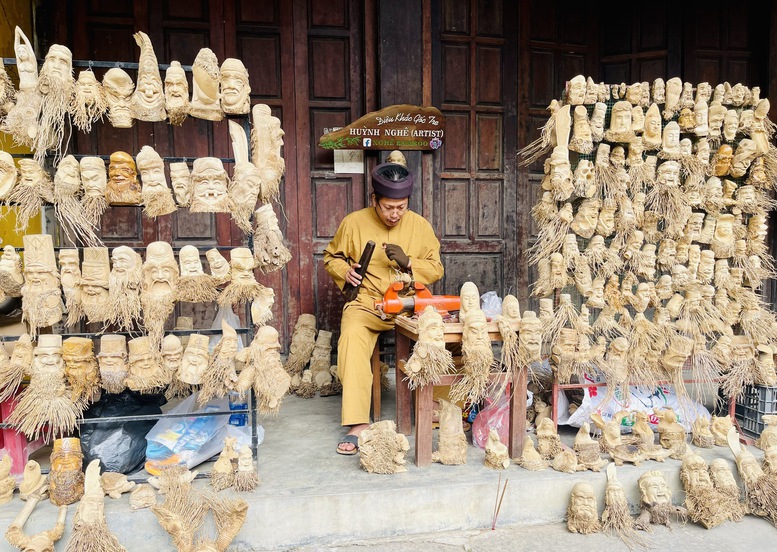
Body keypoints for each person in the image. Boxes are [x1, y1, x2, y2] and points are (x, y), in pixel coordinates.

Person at [324, 156, 444, 455]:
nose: (394, 214)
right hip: (368, 304)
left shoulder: (419, 225)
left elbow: (436, 268)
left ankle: (439, 407)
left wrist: (409, 262)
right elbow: (332, 258)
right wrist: (345, 271)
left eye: (401, 207)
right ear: (374, 199)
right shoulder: (354, 222)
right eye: (388, 207)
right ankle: (357, 422)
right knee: (351, 338)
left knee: (443, 335)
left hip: (409, 304)